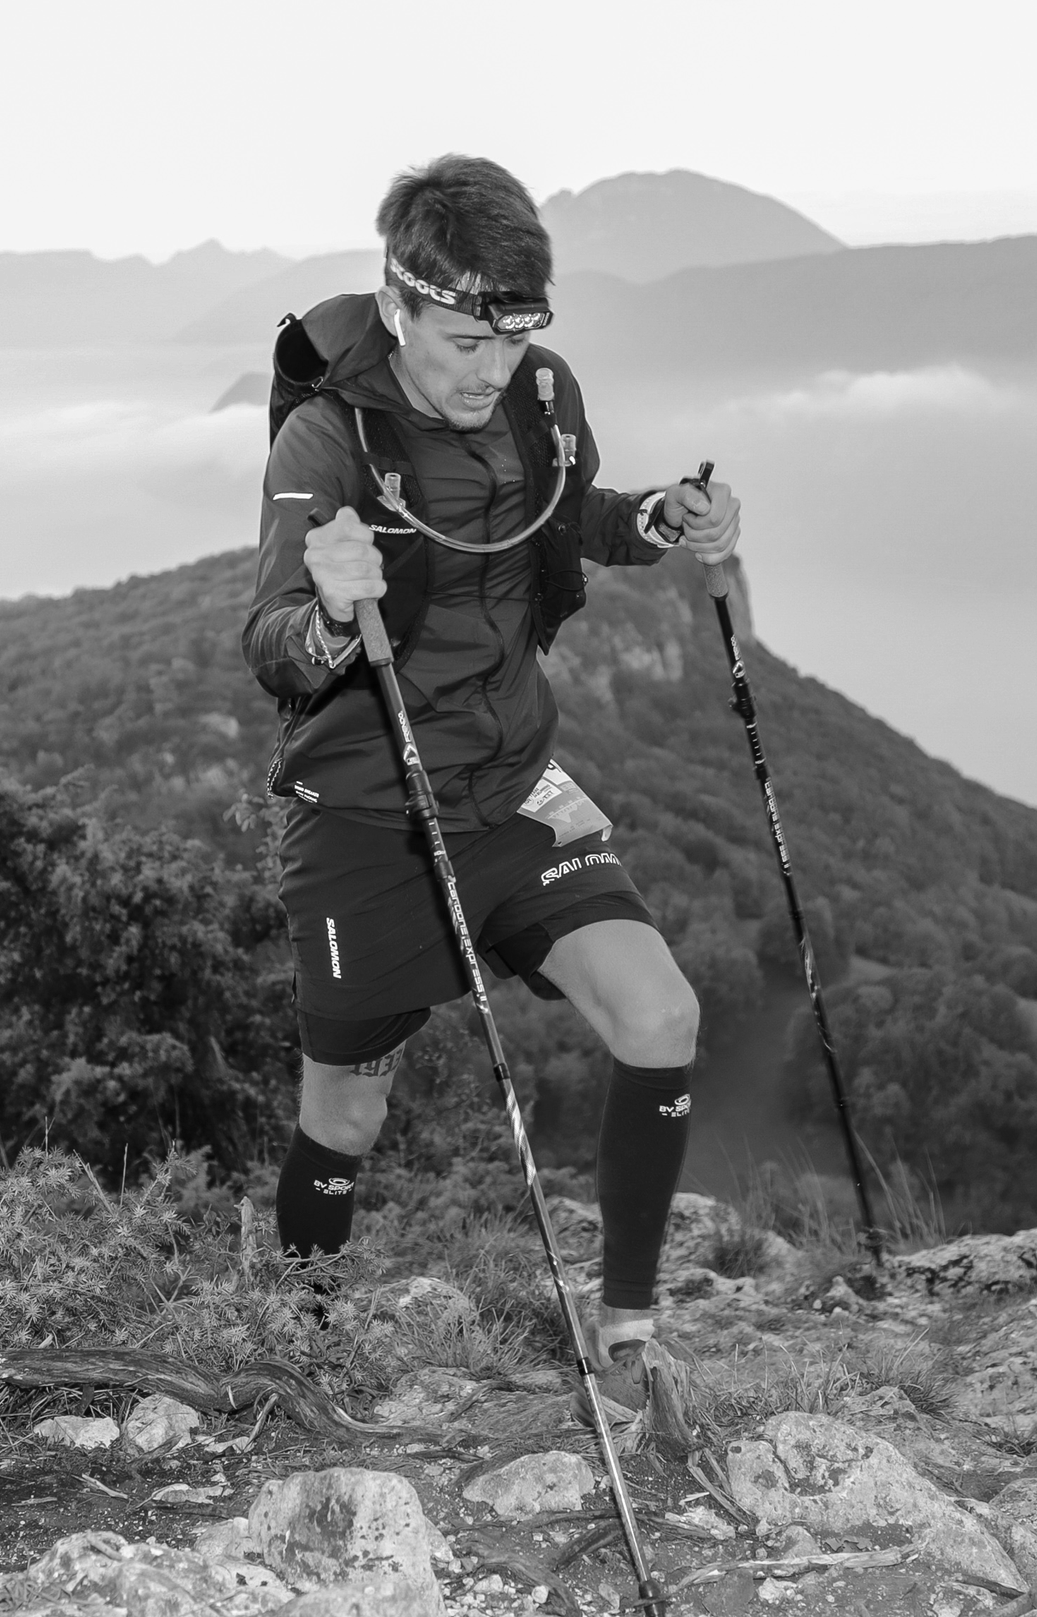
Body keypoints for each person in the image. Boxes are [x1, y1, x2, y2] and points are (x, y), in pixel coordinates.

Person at [241, 155, 741, 1413]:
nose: (488, 373)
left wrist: (665, 521)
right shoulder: (326, 437)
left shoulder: (540, 393)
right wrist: (330, 609)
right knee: (345, 1118)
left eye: (509, 346)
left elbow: (570, 520)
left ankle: (627, 1340)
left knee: (659, 1015)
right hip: (364, 808)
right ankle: (292, 1350)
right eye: (464, 342)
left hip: (511, 785)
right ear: (400, 305)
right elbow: (270, 641)